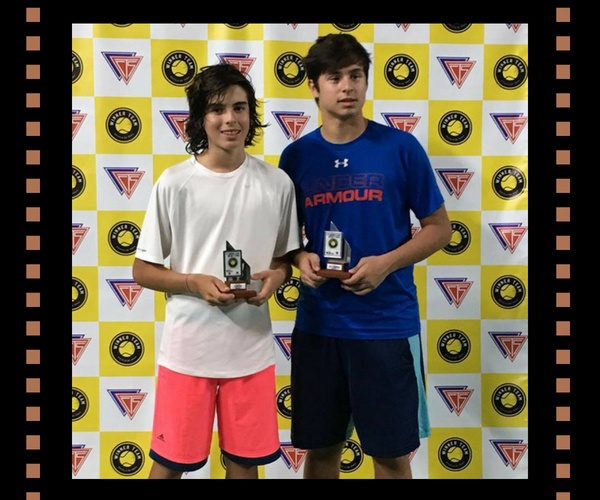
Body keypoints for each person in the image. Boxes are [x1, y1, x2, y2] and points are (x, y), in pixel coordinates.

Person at [279, 34, 452, 479]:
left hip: (386, 324)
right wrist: (300, 260)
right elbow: (284, 239)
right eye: (334, 77)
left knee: (391, 457)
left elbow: (439, 228)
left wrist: (385, 263)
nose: (347, 86)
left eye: (355, 75)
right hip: (320, 325)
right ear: (313, 86)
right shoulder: (296, 156)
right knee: (321, 452)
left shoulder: (400, 148)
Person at [133, 63, 300, 479]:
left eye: (239, 108)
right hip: (187, 354)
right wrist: (192, 282)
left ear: (251, 115)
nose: (230, 119)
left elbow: (284, 260)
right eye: (217, 109)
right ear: (200, 118)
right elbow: (142, 270)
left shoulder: (277, 183)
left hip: (251, 352)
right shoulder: (174, 183)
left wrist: (276, 279)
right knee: (168, 467)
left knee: (244, 465)